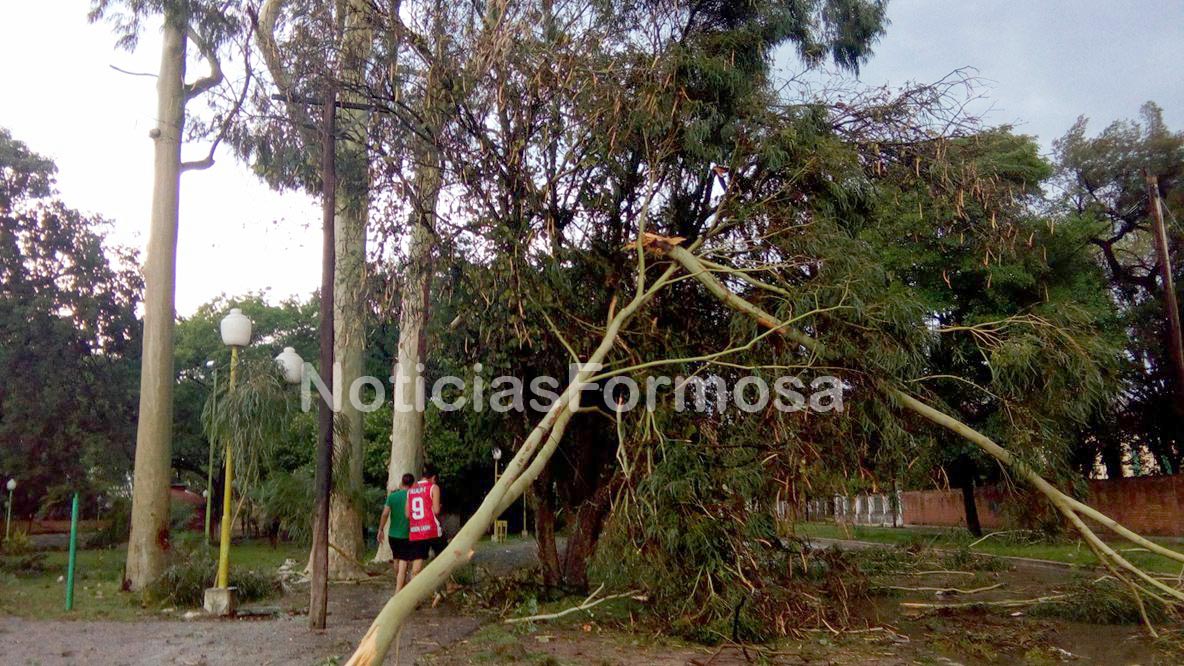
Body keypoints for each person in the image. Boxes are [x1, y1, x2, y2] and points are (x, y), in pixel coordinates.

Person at [379, 473, 416, 592]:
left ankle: (399, 582)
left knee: (396, 559)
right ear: (412, 484)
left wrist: (380, 529)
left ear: (402, 482)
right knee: (404, 563)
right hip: (407, 535)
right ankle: (399, 590)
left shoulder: (392, 496)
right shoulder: (413, 496)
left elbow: (385, 514)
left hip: (392, 535)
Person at [406, 463, 443, 576]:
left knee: (417, 564)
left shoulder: (410, 490)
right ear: (434, 477)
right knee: (444, 557)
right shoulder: (433, 487)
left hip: (416, 531)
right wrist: (438, 506)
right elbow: (436, 511)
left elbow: (407, 514)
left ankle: (414, 585)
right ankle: (449, 583)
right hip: (431, 530)